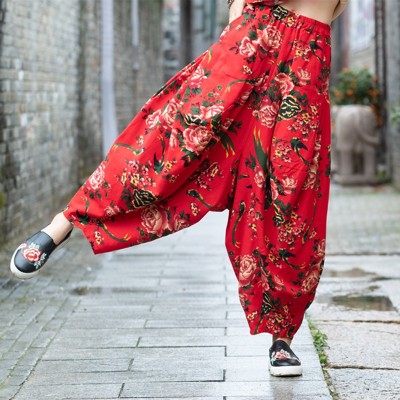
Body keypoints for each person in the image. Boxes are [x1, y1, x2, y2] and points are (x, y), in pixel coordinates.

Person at [10, 0, 348, 377]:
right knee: (166, 152)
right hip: (244, 60)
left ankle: (281, 337)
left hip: (301, 86)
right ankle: (65, 221)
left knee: (292, 202)